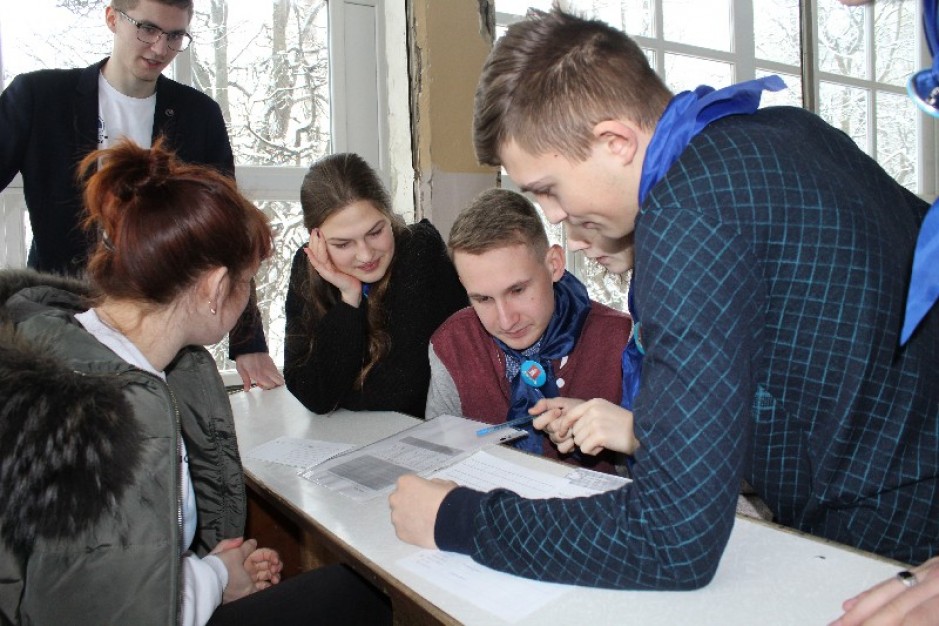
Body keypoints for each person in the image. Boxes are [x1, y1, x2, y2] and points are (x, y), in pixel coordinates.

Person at [389, 8, 939, 590]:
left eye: (548, 189)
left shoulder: (684, 217)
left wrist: (459, 519)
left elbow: (669, 537)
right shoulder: (784, 131)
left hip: (885, 548)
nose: (554, 214)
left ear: (615, 141)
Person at [0, 139, 391, 625]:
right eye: (246, 283)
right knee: (360, 597)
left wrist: (206, 572)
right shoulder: (108, 412)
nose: (246, 301)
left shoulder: (93, 350)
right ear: (214, 288)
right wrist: (217, 578)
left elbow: (101, 566)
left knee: (346, 591)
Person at [0, 0, 283, 391]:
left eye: (175, 36)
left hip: (159, 330)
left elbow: (228, 234)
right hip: (60, 323)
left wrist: (248, 342)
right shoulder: (40, 97)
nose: (160, 48)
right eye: (147, 29)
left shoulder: (198, 114)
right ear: (112, 18)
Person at [425, 188, 632, 471]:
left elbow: (657, 470)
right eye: (483, 299)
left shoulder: (622, 340)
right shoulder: (451, 344)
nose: (506, 321)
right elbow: (437, 460)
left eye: (518, 290)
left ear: (554, 264)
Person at [284, 152, 467, 418]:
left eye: (375, 232)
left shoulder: (419, 250)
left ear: (388, 214)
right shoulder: (309, 265)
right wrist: (349, 299)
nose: (366, 255)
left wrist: (341, 393)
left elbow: (399, 391)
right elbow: (313, 394)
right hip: (360, 434)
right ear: (316, 238)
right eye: (343, 244)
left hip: (432, 431)